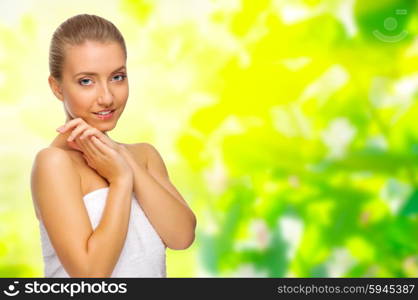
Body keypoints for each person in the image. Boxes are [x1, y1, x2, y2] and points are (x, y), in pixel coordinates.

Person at [30, 14, 196, 278]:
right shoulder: (54, 163)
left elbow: (182, 237)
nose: (107, 97)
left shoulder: (144, 155)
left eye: (117, 77)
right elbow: (89, 276)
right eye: (86, 81)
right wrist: (120, 180)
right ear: (57, 87)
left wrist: (122, 160)